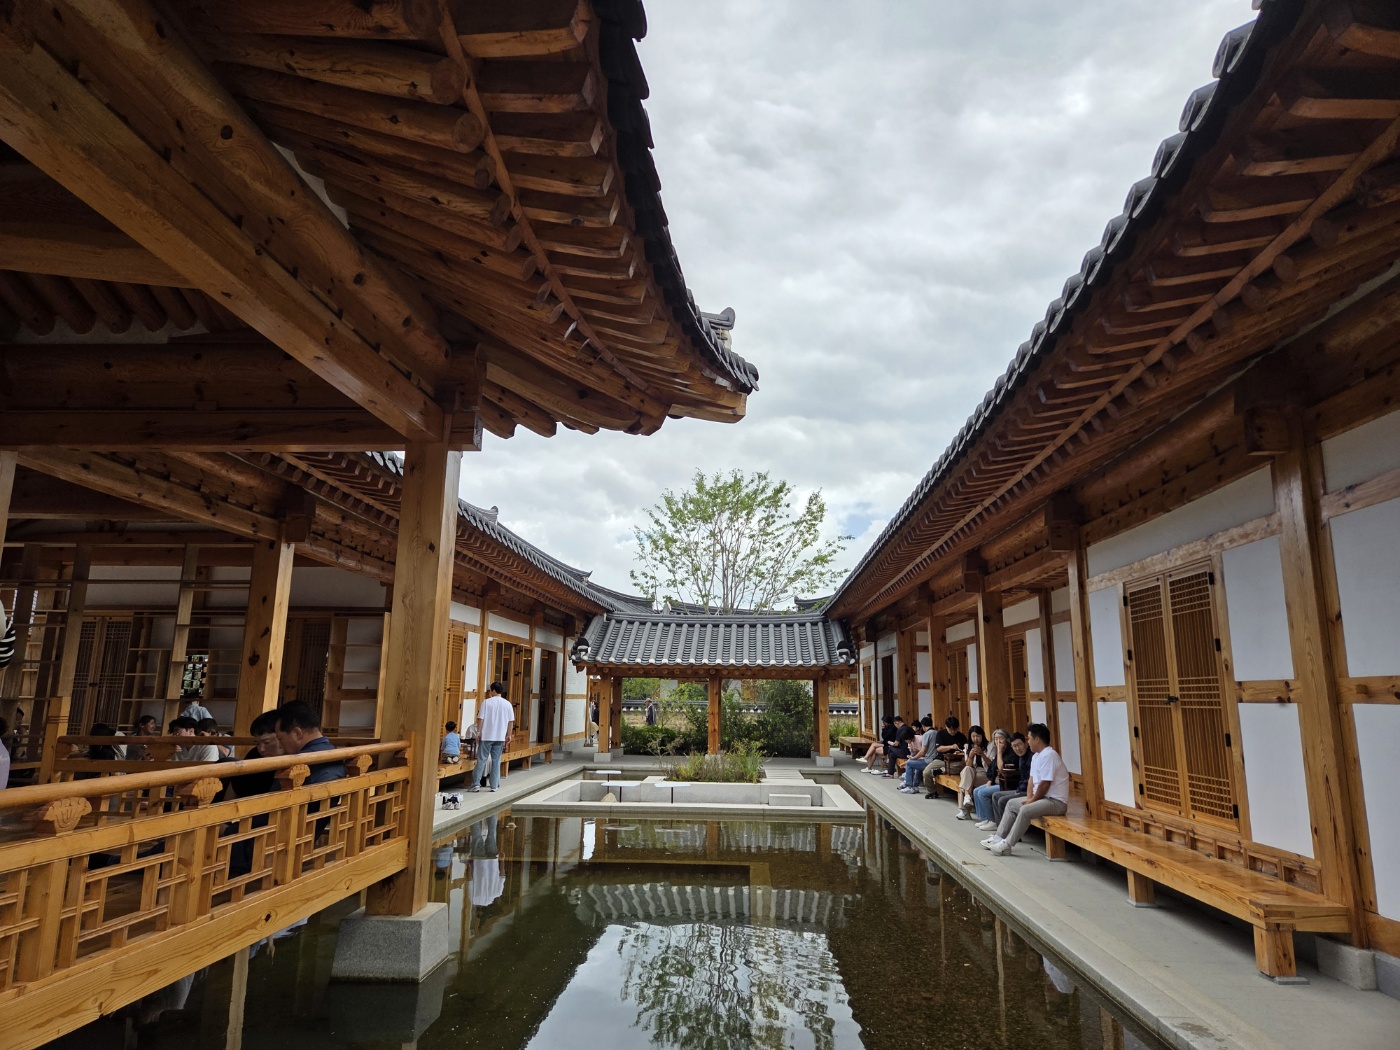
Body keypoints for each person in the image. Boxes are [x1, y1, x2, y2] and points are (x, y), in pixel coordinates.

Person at [984, 723, 1070, 856]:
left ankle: (1007, 845)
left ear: (1037, 739)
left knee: (1025, 810)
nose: (1028, 741)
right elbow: (1031, 780)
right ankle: (999, 837)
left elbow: (1045, 784)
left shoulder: (1049, 755)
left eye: (1029, 738)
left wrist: (1032, 800)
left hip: (1055, 802)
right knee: (1011, 804)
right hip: (1042, 799)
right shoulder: (1036, 756)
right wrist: (1030, 798)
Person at [274, 701, 345, 785]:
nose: (280, 745)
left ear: (297, 733)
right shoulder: (336, 753)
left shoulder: (294, 766)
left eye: (280, 739)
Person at [468, 681, 514, 794]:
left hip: (486, 736)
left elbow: (480, 718)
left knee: (481, 760)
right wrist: (509, 735)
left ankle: (476, 784)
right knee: (496, 760)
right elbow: (510, 721)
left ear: (493, 690)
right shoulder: (507, 704)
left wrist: (478, 732)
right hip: (500, 737)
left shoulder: (486, 702)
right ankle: (494, 785)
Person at [229, 711, 283, 799]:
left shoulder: (296, 758)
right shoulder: (254, 754)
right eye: (257, 743)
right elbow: (235, 787)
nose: (261, 749)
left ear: (282, 737)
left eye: (267, 742)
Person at [972, 728, 1015, 824]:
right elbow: (992, 767)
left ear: (1006, 739)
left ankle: (992, 821)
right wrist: (990, 780)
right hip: (997, 782)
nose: (998, 741)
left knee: (982, 793)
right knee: (976, 791)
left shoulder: (1010, 752)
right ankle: (984, 819)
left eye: (1001, 738)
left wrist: (999, 752)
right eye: (996, 739)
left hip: (1007, 784)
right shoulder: (1000, 751)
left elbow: (1001, 768)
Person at [921, 716, 967, 798]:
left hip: (955, 762)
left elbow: (965, 750)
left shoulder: (961, 736)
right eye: (951, 729)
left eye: (955, 729)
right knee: (926, 772)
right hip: (941, 760)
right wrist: (951, 747)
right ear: (946, 727)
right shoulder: (941, 734)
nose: (953, 731)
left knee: (960, 766)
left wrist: (961, 751)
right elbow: (939, 748)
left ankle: (940, 770)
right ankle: (932, 792)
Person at [953, 724, 992, 818]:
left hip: (986, 773)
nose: (976, 739)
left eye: (978, 736)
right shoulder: (968, 747)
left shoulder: (990, 746)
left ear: (982, 736)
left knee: (964, 782)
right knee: (966, 771)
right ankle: (967, 797)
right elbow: (968, 765)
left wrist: (982, 754)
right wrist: (970, 756)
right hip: (973, 771)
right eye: (973, 736)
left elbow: (991, 765)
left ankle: (964, 811)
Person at [898, 717, 936, 793]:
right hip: (933, 759)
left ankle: (909, 785)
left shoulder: (925, 735)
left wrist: (914, 757)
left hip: (928, 760)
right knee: (915, 765)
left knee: (910, 764)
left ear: (923, 726)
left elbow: (923, 751)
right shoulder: (936, 732)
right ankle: (915, 786)